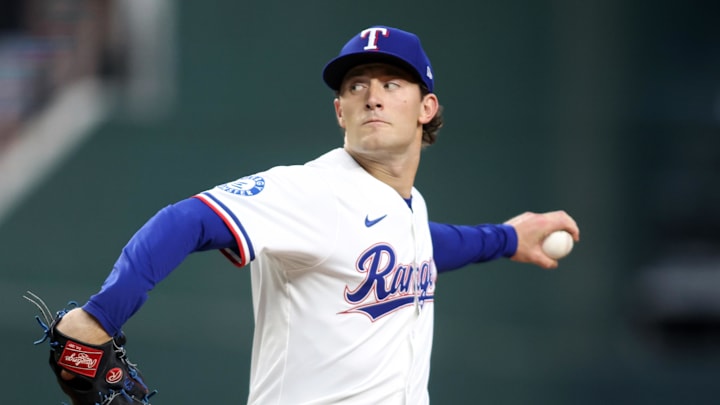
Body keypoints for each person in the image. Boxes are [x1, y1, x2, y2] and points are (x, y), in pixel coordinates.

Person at [54, 25, 580, 404]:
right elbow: (184, 221)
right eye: (356, 86)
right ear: (339, 112)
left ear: (427, 108)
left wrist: (508, 238)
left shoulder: (409, 208)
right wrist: (101, 316)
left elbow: (426, 241)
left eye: (392, 84)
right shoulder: (310, 190)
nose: (372, 96)